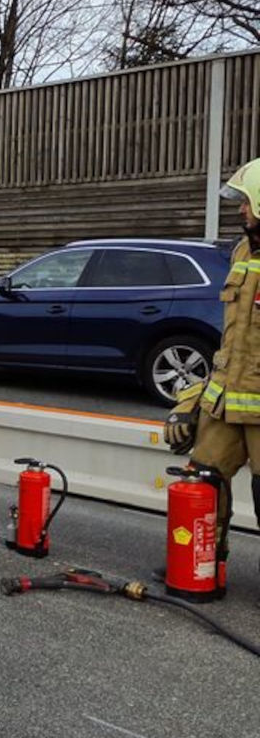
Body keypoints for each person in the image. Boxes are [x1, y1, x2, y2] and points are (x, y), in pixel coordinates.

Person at [164, 156, 260, 581]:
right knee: (202, 482)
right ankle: (200, 565)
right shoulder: (242, 250)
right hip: (227, 400)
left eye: (248, 202)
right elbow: (232, 342)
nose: (241, 210)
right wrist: (192, 400)